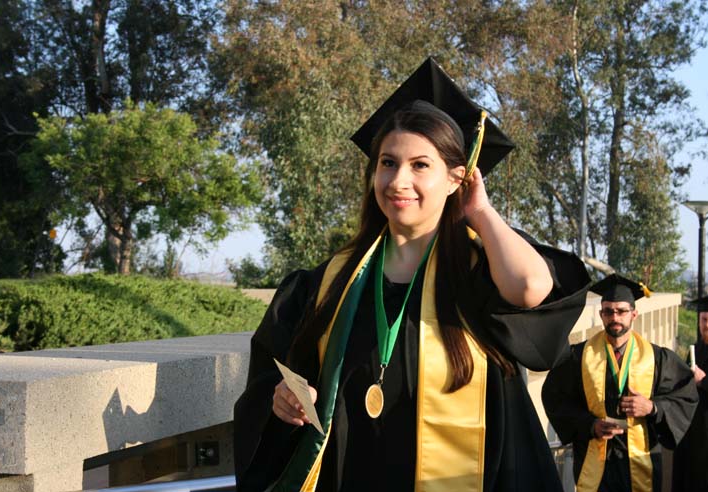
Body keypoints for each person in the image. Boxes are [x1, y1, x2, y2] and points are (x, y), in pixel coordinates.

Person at [233, 57, 591, 492]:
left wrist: (478, 210)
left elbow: (532, 289)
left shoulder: (480, 269)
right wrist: (284, 399)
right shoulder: (333, 279)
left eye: (420, 165)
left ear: (456, 178)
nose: (399, 180)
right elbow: (279, 374)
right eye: (388, 163)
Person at [542, 274, 698, 492]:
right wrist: (590, 424)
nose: (615, 317)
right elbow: (554, 397)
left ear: (634, 314)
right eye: (608, 311)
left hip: (642, 459)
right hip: (595, 461)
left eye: (621, 311)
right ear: (601, 315)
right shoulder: (578, 356)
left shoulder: (658, 358)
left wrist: (652, 407)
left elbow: (685, 395)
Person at [672, 295, 708, 491]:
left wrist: (703, 380)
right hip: (693, 431)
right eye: (704, 320)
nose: (707, 325)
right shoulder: (697, 350)